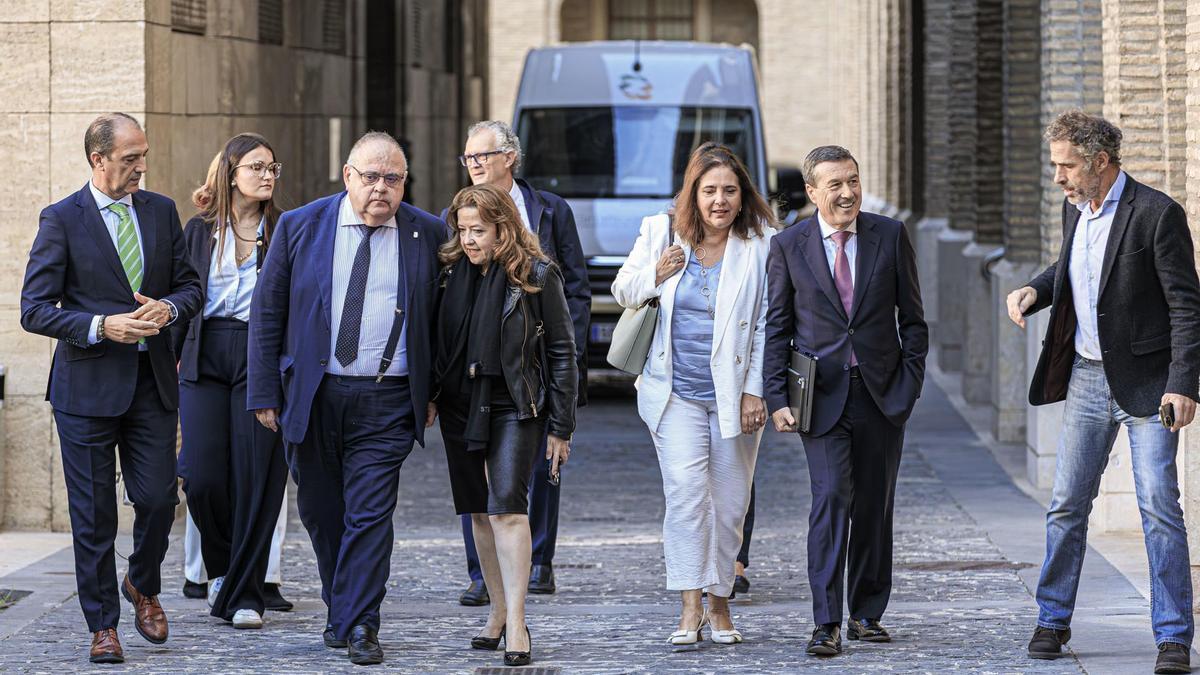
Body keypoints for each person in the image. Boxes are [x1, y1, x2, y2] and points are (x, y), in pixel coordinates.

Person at [1006, 111, 1200, 675]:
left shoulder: (1157, 214)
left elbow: (1187, 306)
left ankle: (1172, 638)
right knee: (1066, 504)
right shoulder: (1077, 210)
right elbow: (1071, 270)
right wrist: (1032, 291)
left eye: (1066, 166)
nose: (1059, 177)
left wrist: (1183, 383)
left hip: (1148, 382)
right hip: (1088, 378)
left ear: (1100, 162)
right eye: (1055, 166)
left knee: (1159, 508)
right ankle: (1052, 619)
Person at [247, 131, 447, 666]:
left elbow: (444, 323)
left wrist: (435, 392)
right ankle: (343, 606)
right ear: (347, 176)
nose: (381, 189)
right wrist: (264, 390)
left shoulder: (427, 234)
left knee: (370, 514)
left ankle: (361, 623)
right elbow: (268, 313)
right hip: (314, 394)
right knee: (320, 510)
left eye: (393, 179)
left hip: (388, 399)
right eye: (371, 177)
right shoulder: (300, 226)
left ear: (405, 183)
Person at [20, 112, 203, 664]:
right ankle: (103, 624)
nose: (140, 168)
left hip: (151, 385)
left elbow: (191, 287)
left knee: (156, 499)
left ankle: (142, 584)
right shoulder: (61, 219)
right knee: (94, 514)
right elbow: (34, 309)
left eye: (143, 156)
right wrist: (102, 326)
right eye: (129, 159)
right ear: (98, 160)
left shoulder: (161, 211)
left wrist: (169, 307)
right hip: (85, 392)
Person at [763, 145, 927, 657]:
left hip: (881, 393)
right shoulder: (790, 245)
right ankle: (826, 621)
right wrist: (776, 396)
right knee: (831, 497)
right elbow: (777, 327)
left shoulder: (890, 235)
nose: (847, 192)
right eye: (834, 184)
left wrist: (909, 382)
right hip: (820, 397)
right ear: (812, 192)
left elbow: (914, 321)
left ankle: (866, 613)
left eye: (853, 181)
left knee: (875, 504)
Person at [612, 142, 773, 645]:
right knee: (685, 499)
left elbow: (769, 323)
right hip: (673, 391)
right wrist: (656, 274)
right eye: (709, 191)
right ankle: (689, 606)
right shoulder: (659, 231)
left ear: (743, 196)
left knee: (729, 504)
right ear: (692, 194)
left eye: (729, 191)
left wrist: (754, 391)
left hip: (734, 397)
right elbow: (623, 289)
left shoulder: (763, 243)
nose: (719, 201)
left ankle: (720, 603)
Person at [433, 183, 577, 667]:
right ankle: (496, 612)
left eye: (479, 231)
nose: (469, 239)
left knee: (507, 509)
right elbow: (436, 344)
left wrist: (562, 425)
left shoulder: (537, 274)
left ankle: (517, 621)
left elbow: (561, 352)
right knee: (477, 510)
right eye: (463, 229)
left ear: (503, 229)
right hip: (460, 405)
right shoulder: (449, 272)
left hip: (517, 403)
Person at [451, 120, 590, 604]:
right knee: (481, 489)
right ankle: (482, 575)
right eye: (468, 158)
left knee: (541, 468)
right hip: (480, 378)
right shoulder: (460, 223)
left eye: (481, 156)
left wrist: (565, 355)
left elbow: (573, 285)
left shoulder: (551, 210)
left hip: (536, 365)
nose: (474, 165)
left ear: (510, 156)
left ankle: (540, 562)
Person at [174, 133, 289, 630]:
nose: (267, 175)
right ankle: (222, 568)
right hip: (203, 355)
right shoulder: (199, 231)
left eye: (272, 167)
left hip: (258, 358)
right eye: (257, 167)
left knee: (254, 477)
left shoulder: (285, 230)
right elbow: (178, 294)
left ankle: (246, 593)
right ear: (231, 173)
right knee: (200, 478)